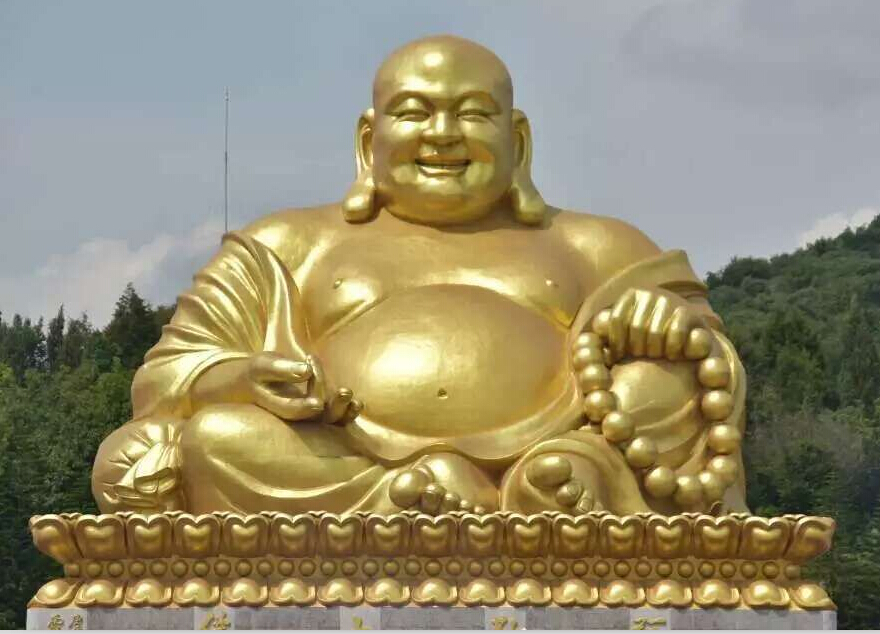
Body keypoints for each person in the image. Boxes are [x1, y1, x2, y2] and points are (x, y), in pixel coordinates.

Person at [92, 35, 747, 517]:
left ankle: (557, 479)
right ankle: (440, 498)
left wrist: (662, 327)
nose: (443, 134)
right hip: (342, 464)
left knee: (661, 388)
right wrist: (242, 378)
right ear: (367, 142)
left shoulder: (597, 244)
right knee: (207, 441)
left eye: (473, 113)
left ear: (518, 141)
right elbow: (164, 382)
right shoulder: (286, 244)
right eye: (413, 112)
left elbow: (713, 368)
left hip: (551, 445)